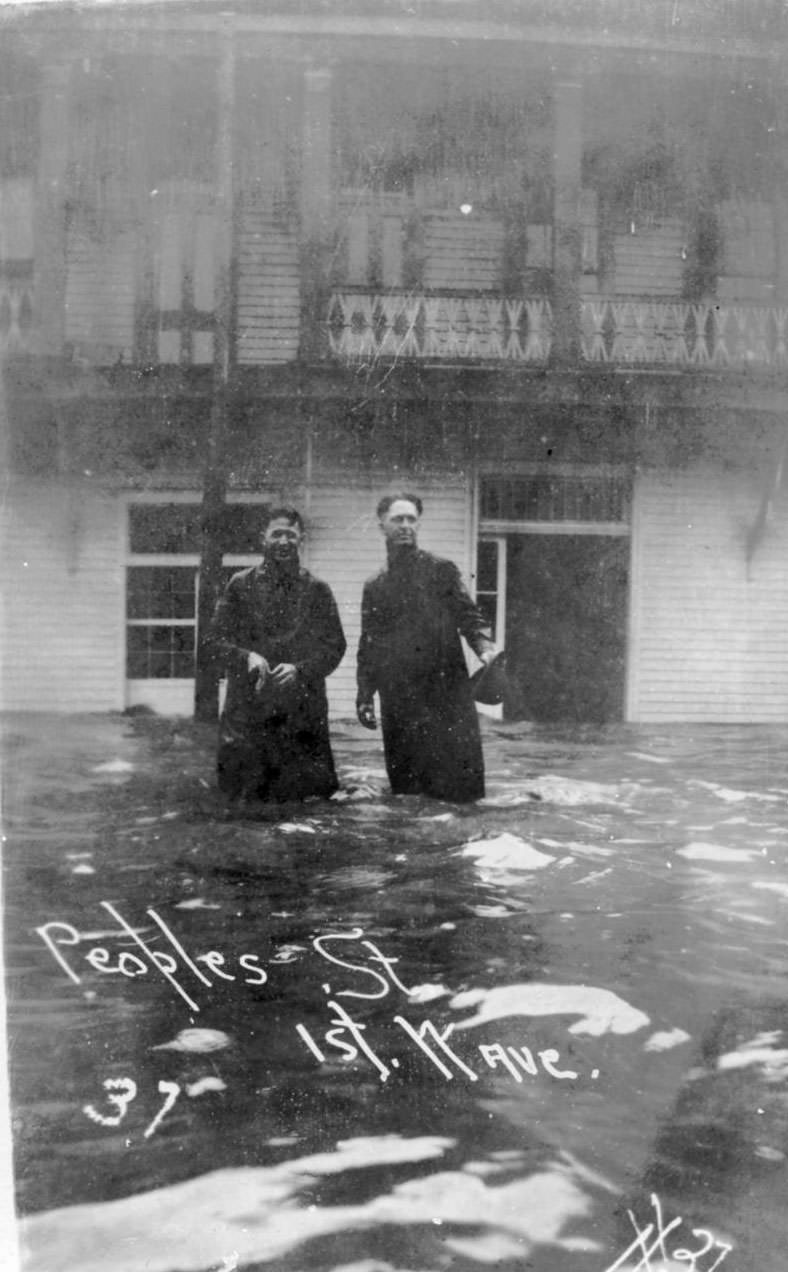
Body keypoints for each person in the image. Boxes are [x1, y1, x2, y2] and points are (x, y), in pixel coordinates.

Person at [356, 493, 498, 802]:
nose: (406, 526)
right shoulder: (375, 585)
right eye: (398, 519)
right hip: (400, 698)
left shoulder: (441, 570)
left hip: (446, 693)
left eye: (411, 519)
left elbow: (469, 616)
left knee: (461, 787)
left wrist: (484, 647)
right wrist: (365, 693)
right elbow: (369, 644)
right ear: (382, 525)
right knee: (407, 790)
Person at [211, 505, 346, 803]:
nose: (283, 542)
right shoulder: (240, 585)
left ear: (301, 539)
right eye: (276, 534)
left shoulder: (317, 589)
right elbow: (214, 641)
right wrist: (246, 657)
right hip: (249, 708)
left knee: (305, 805)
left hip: (301, 711)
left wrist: (300, 670)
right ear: (263, 538)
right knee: (245, 803)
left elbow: (335, 646)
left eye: (290, 535)